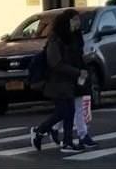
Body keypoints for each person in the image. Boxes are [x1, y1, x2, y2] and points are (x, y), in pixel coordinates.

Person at [30, 9, 86, 154]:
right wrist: (77, 72)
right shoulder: (55, 39)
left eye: (78, 20)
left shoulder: (73, 37)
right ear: (67, 22)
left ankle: (67, 142)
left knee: (69, 111)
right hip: (56, 81)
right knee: (63, 111)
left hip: (69, 81)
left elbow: (77, 56)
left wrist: (81, 71)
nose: (78, 23)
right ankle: (40, 131)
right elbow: (55, 63)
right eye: (75, 20)